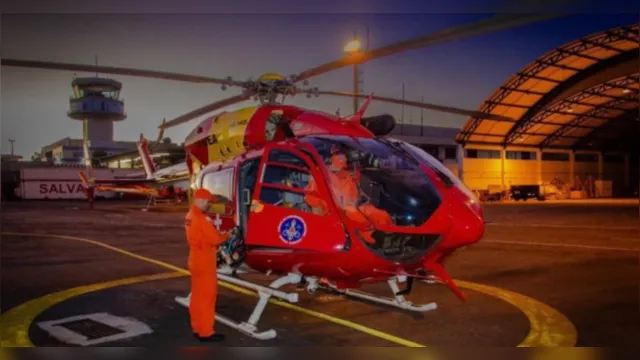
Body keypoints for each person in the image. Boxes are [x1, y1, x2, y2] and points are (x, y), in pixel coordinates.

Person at [305, 151, 393, 243]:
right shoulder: (318, 179)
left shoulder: (345, 176)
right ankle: (374, 239)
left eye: (341, 167)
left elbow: (354, 196)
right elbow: (316, 209)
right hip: (332, 216)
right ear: (327, 162)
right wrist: (321, 229)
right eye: (337, 167)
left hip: (350, 208)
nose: (339, 170)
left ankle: (390, 233)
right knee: (352, 211)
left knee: (375, 212)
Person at [184, 188, 231, 342]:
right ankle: (206, 332)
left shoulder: (189, 215)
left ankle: (197, 327)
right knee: (208, 296)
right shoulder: (201, 218)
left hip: (194, 259)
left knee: (197, 296)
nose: (208, 205)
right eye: (208, 202)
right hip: (205, 261)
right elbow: (214, 239)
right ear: (201, 200)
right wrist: (227, 235)